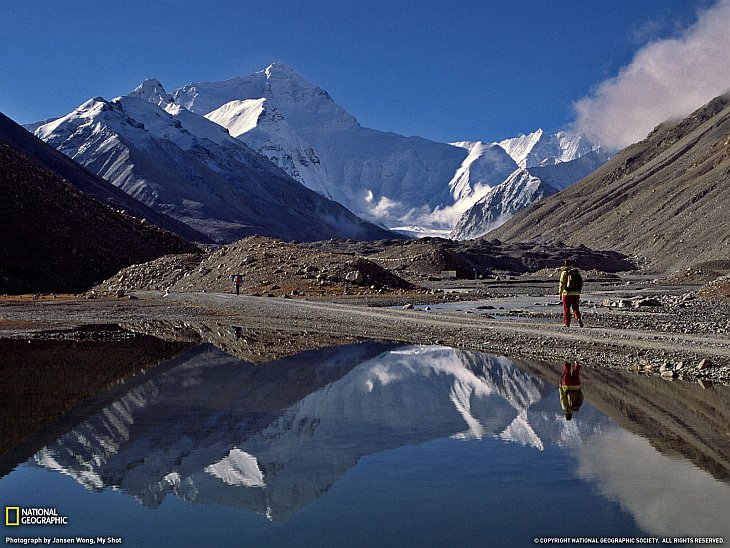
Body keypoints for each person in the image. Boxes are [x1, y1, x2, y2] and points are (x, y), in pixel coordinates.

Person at [558, 259, 583, 327]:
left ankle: (567, 323)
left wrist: (560, 293)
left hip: (567, 294)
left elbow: (562, 283)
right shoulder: (576, 272)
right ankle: (578, 318)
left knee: (567, 308)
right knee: (575, 308)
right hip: (576, 293)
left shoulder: (565, 272)